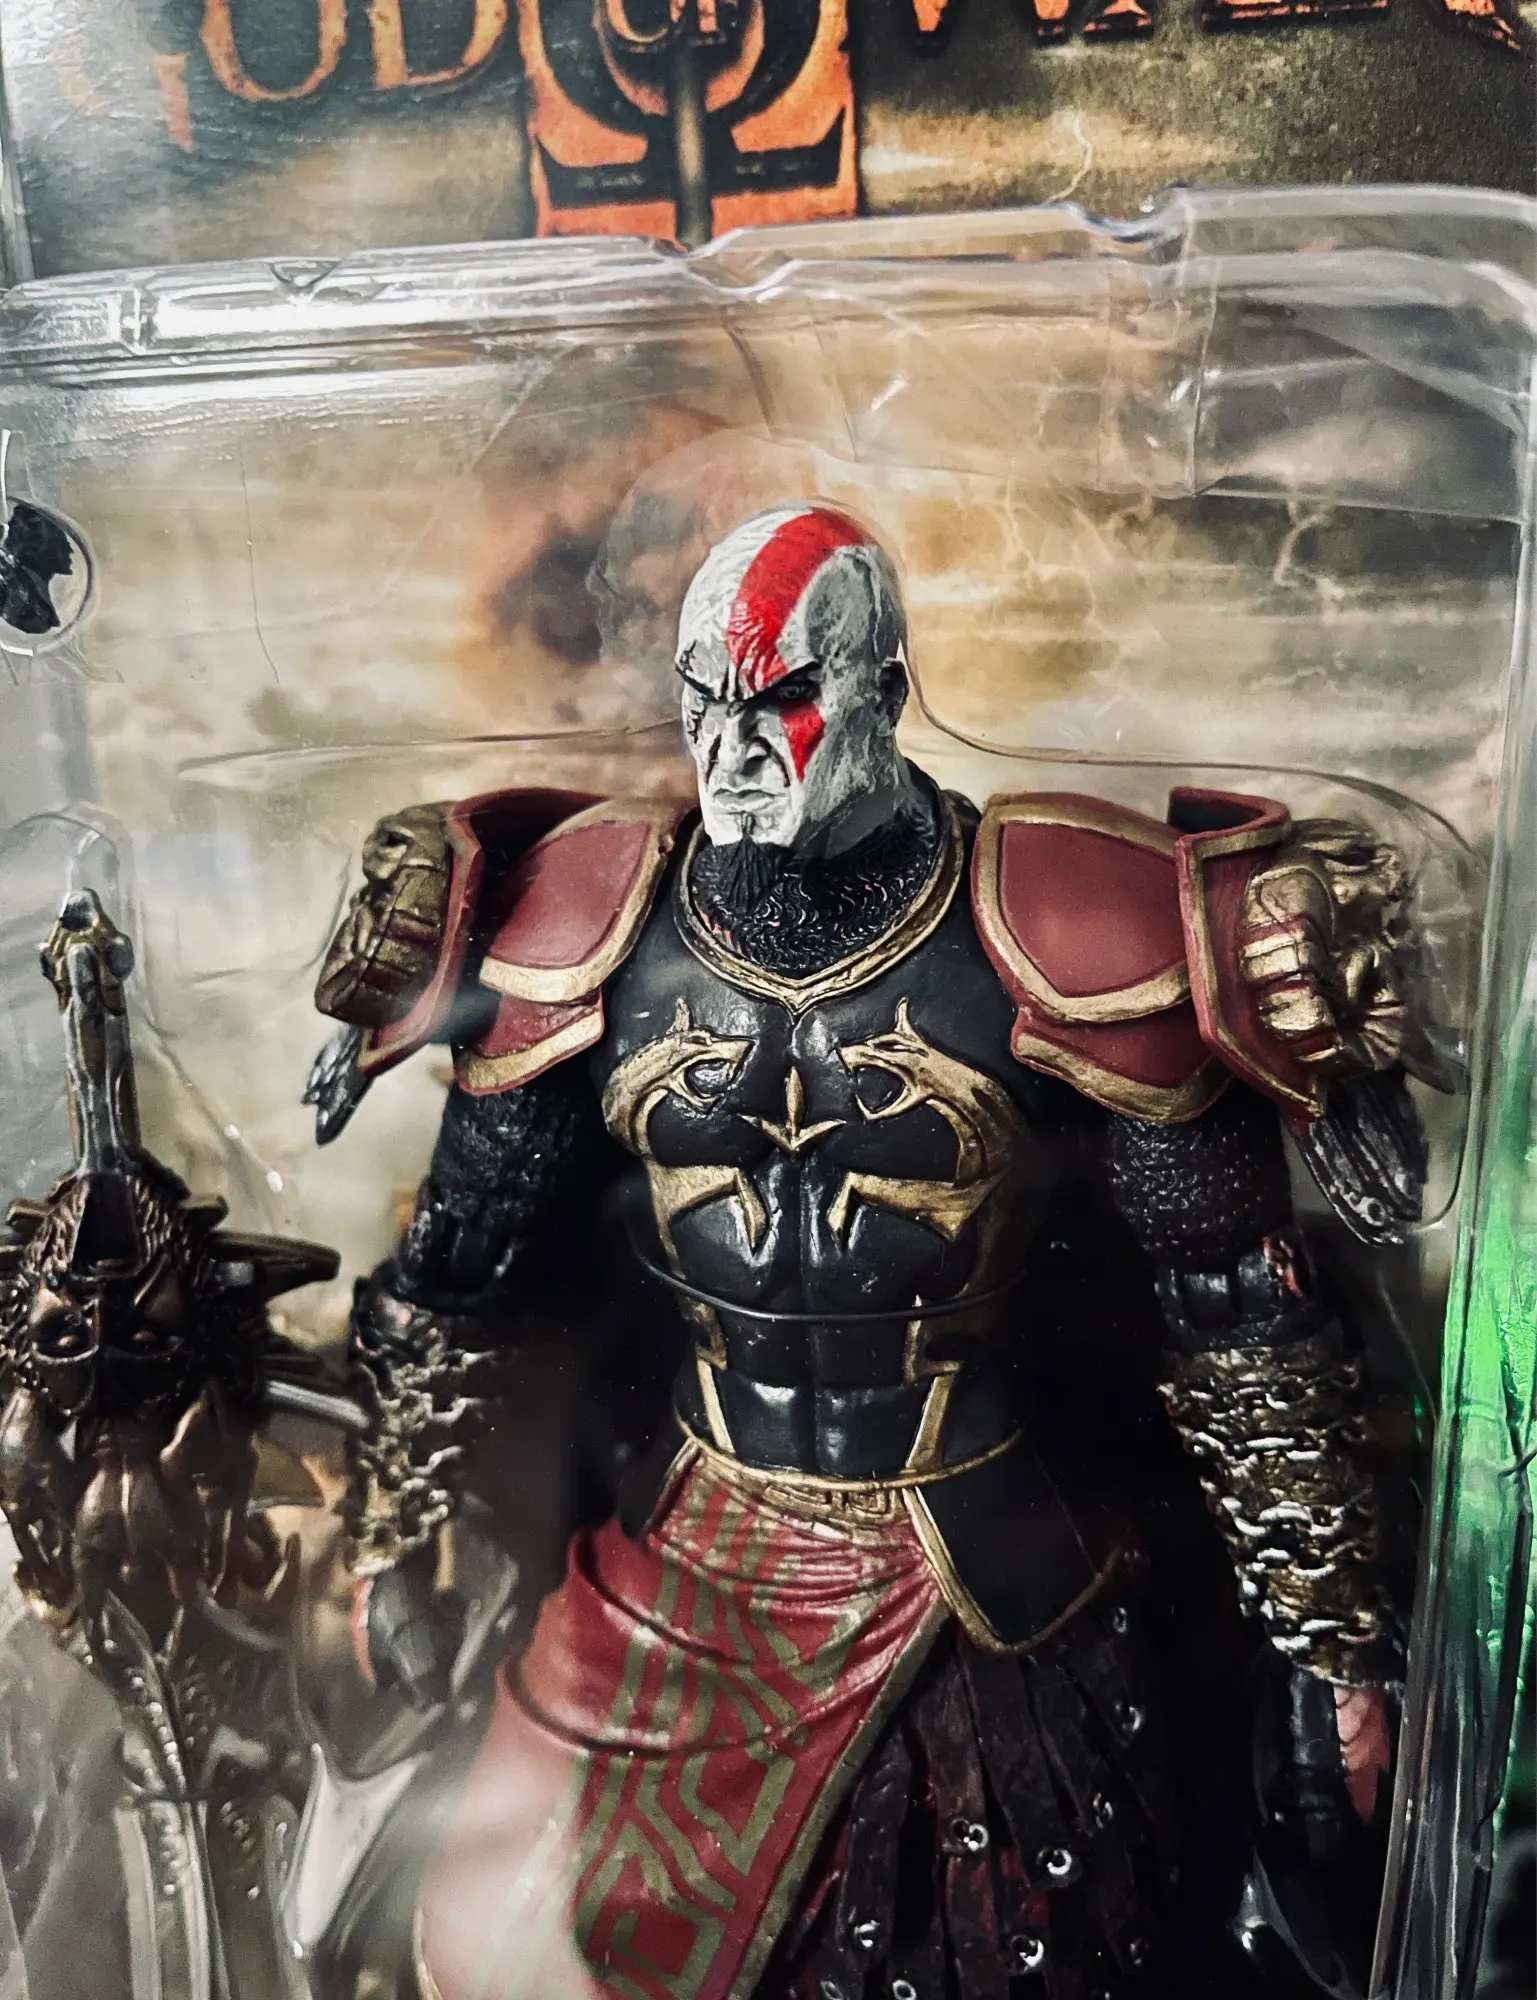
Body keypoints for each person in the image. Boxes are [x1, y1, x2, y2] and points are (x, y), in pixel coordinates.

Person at [311, 505, 1423, 2000]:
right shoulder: (588, 930)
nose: (733, 750)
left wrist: (1324, 1639)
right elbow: (457, 1259)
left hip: (980, 1562)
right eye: (704, 702)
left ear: (886, 687)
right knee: (499, 1933)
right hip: (691, 1546)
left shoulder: (1065, 930)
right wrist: (394, 1532)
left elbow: (1236, 1307)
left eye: (783, 697)